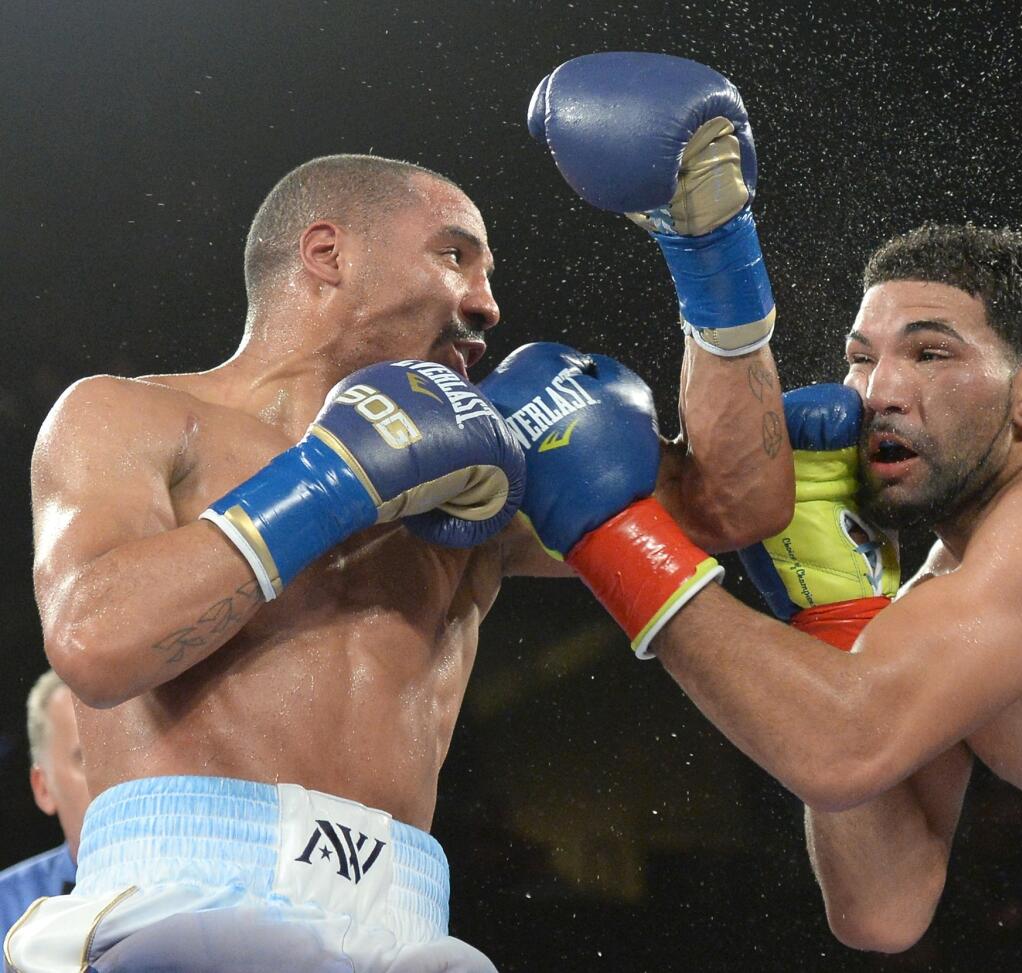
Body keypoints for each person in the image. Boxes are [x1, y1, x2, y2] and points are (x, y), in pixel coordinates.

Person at [6, 55, 793, 973]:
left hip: (407, 927)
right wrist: (332, 481)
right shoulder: (130, 416)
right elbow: (96, 644)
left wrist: (712, 249)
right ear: (327, 253)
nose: (486, 302)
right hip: (188, 895)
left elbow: (732, 503)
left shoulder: (482, 474)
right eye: (455, 253)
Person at [490, 221, 1022, 972]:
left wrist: (615, 534)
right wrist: (835, 616)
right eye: (860, 359)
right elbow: (881, 906)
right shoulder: (938, 595)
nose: (878, 391)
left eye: (930, 353)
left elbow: (844, 745)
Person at [0, 670, 91, 941]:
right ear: (43, 788)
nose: (116, 776)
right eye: (85, 759)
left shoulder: (206, 893)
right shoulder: (5, 912)